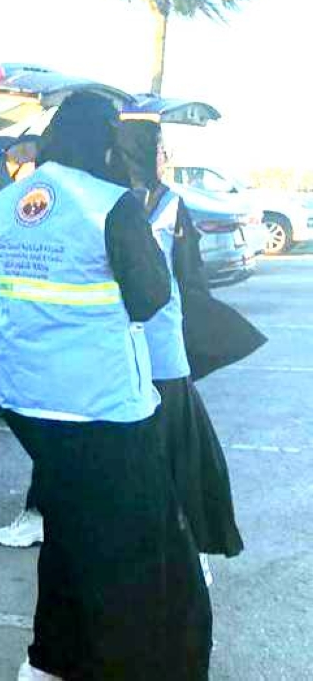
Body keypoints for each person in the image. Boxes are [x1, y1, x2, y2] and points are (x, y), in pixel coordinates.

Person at [0, 91, 211, 681]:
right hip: (102, 405)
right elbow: (151, 296)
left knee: (67, 528)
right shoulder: (111, 205)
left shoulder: (6, 203)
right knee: (143, 545)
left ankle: (51, 658)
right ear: (105, 143)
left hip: (27, 401)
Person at [117, 116, 247, 582]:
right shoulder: (142, 205)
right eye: (159, 149)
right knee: (168, 450)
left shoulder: (142, 203)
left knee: (161, 447)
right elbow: (191, 276)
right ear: (139, 152)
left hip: (145, 347)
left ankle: (184, 546)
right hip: (142, 347)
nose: (165, 157)